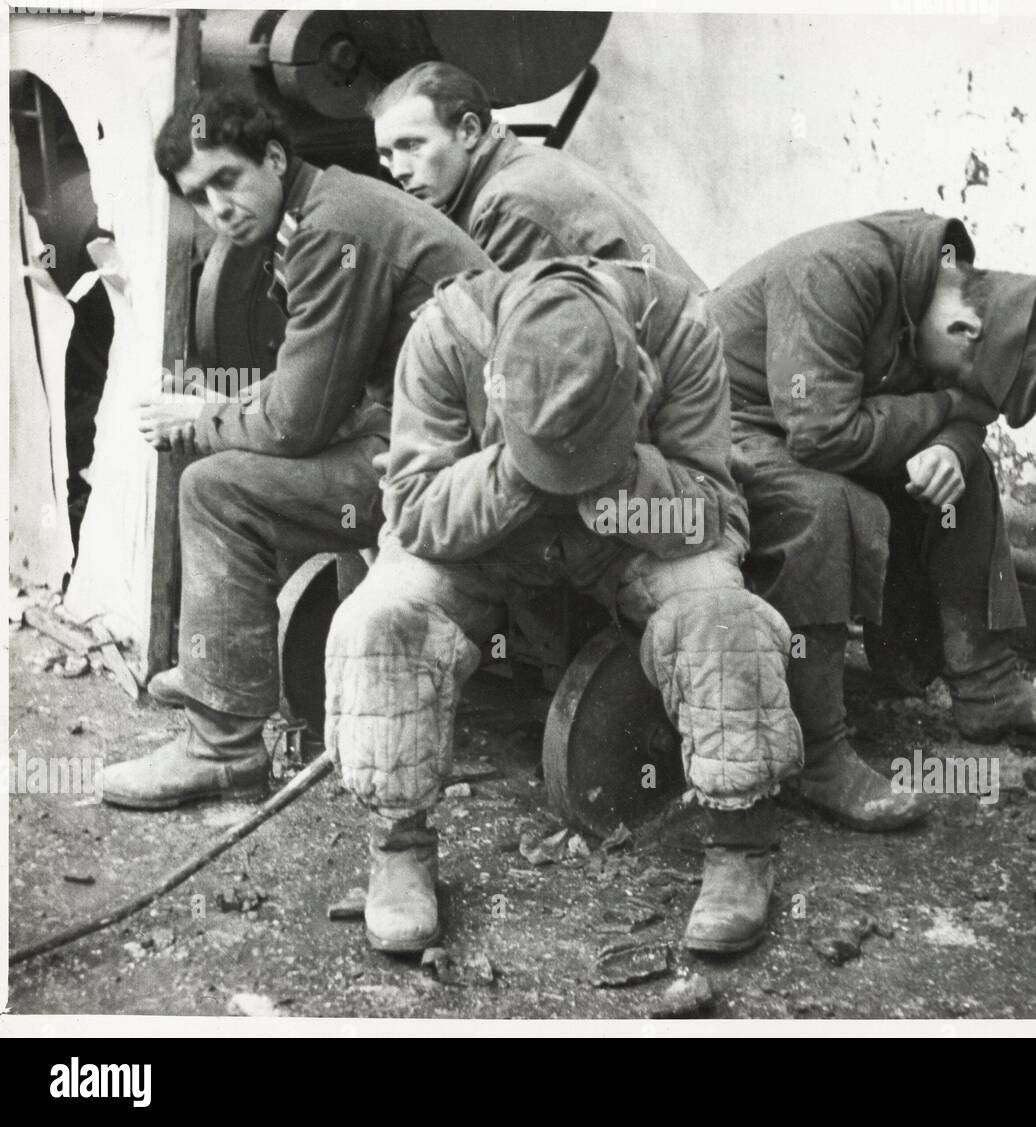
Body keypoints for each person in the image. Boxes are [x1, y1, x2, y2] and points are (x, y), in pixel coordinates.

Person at [325, 257, 802, 954]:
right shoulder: (444, 335)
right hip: (487, 533)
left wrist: (612, 476)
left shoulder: (678, 327)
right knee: (383, 616)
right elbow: (416, 513)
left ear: (636, 376)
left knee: (721, 615)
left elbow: (708, 510)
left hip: (630, 530)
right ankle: (399, 846)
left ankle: (743, 843)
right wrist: (519, 470)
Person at [102, 89, 493, 810]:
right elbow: (315, 393)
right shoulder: (325, 210)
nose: (218, 208)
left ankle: (222, 749)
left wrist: (203, 414)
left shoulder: (333, 227)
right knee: (244, 464)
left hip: (463, 470)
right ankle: (224, 665)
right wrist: (232, 409)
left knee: (216, 488)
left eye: (227, 179)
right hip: (436, 437)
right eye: (199, 196)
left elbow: (295, 424)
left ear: (275, 159)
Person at [706, 210, 1036, 832]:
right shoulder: (835, 273)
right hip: (729, 426)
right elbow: (822, 435)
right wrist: (948, 404)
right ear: (964, 327)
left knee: (964, 474)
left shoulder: (935, 290)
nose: (954, 386)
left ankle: (989, 688)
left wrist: (951, 442)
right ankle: (815, 756)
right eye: (957, 372)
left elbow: (967, 407)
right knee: (827, 506)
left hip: (815, 425)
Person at [370, 62, 704, 287]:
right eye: (386, 155)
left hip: (687, 381)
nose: (398, 170)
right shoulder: (517, 167)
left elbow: (515, 345)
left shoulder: (509, 203)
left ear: (469, 131)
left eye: (412, 145)